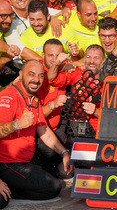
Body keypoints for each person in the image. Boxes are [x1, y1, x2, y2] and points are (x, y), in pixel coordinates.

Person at [0, 60, 74, 200]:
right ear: (21, 75)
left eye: (41, 76)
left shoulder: (33, 99)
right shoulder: (9, 96)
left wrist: (64, 152)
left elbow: (43, 130)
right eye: (31, 74)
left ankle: (14, 187)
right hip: (7, 163)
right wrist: (16, 125)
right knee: (54, 187)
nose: (36, 80)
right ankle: (12, 191)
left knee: (63, 173)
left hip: (25, 161)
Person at [32, 39, 70, 179]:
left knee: (66, 171)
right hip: (37, 132)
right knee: (49, 155)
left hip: (57, 128)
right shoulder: (36, 74)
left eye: (58, 55)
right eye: (50, 55)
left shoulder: (65, 71)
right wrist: (53, 104)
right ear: (43, 56)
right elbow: (35, 116)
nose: (54, 59)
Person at [47, 44, 105, 132]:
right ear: (84, 59)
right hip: (76, 127)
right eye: (88, 57)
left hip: (99, 130)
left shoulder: (109, 80)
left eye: (96, 58)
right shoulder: (77, 73)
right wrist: (56, 63)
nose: (91, 61)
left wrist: (95, 111)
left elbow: (115, 116)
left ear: (103, 61)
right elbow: (51, 79)